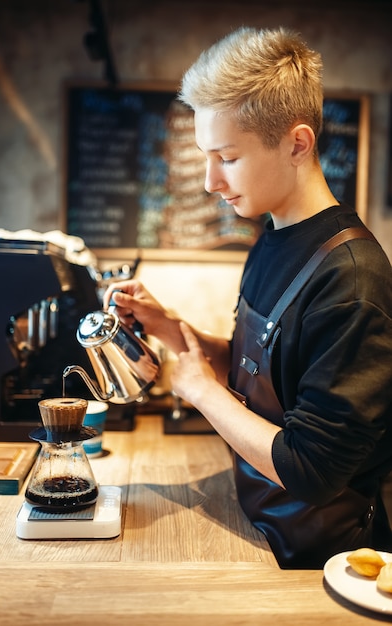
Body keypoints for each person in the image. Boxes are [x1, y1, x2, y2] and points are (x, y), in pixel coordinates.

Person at [103, 26, 392, 569]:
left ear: (297, 144)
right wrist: (170, 327)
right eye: (205, 156)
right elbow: (262, 371)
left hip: (323, 565)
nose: (211, 181)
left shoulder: (353, 281)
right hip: (259, 526)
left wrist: (200, 392)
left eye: (227, 157)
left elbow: (313, 469)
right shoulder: (275, 236)